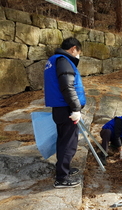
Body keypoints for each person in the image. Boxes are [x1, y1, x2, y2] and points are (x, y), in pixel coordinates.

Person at [44, 37, 86, 188]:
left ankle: (64, 169)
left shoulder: (54, 60)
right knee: (69, 143)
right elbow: (67, 87)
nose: (78, 55)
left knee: (64, 141)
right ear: (74, 49)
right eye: (78, 52)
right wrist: (75, 108)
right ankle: (62, 178)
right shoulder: (63, 61)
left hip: (60, 109)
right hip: (66, 108)